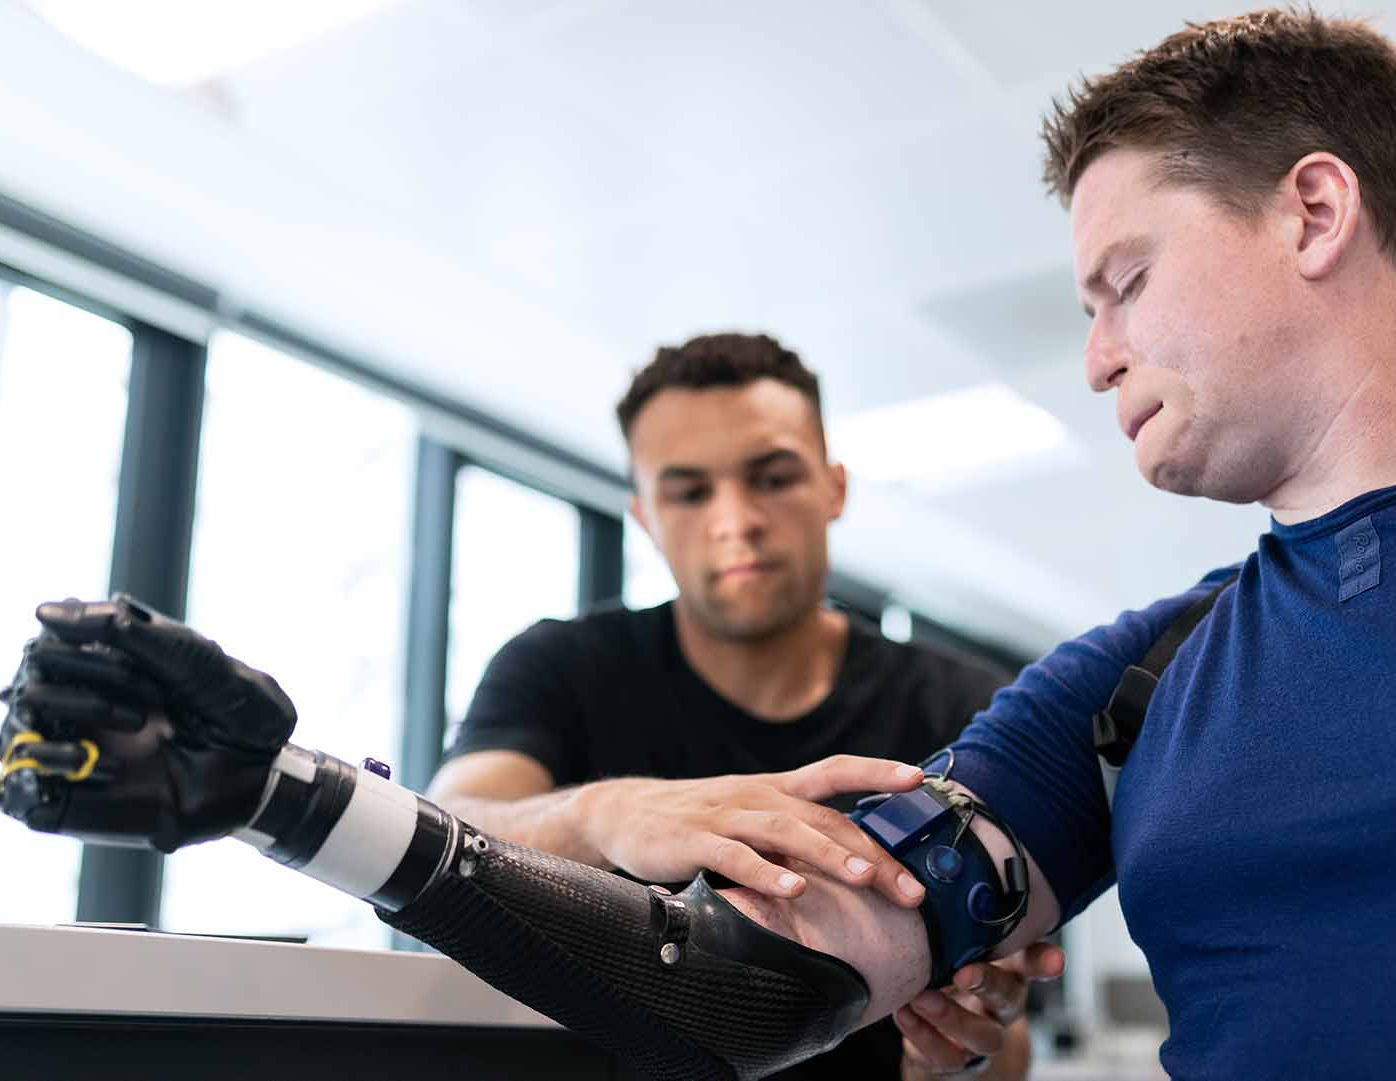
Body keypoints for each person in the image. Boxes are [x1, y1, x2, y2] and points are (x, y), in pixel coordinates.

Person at [0, 10, 1396, 1081]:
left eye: (1125, 276)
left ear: (1314, 211)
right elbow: (744, 987)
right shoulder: (1126, 692)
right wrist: (293, 796)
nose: (1096, 347)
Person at [422, 332, 1058, 1080]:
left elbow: (1005, 1044)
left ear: (833, 487)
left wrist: (959, 1052)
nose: (735, 520)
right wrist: (607, 814)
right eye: (689, 491)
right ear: (645, 517)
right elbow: (453, 824)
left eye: (772, 477)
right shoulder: (561, 667)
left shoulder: (968, 706)